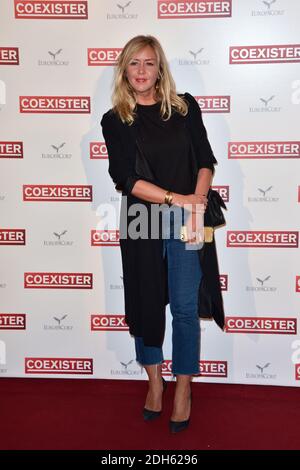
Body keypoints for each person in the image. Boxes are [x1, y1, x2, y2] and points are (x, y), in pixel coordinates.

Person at [101, 35, 225, 434]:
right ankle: (155, 384)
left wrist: (196, 203)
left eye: (149, 63)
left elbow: (205, 160)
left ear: (160, 69)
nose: (141, 71)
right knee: (147, 304)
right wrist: (180, 198)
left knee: (186, 310)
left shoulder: (185, 108)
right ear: (124, 70)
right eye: (133, 63)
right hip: (143, 220)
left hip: (188, 218)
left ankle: (183, 388)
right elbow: (127, 178)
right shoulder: (115, 119)